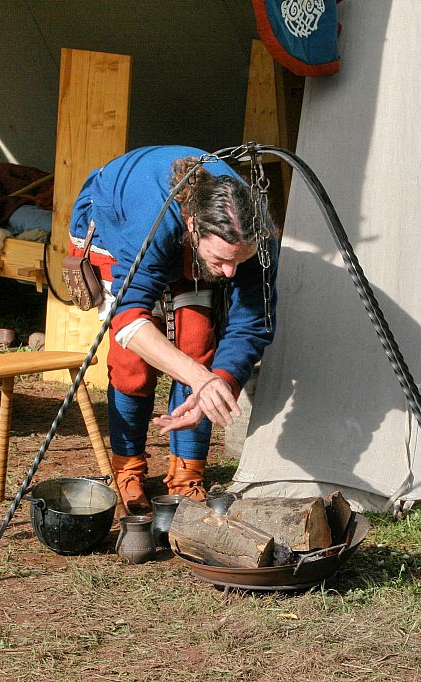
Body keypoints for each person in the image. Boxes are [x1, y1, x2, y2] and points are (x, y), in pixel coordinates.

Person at [68, 146, 278, 513]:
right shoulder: (150, 220)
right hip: (117, 226)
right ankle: (127, 468)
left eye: (238, 261)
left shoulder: (255, 236)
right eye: (222, 260)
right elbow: (129, 319)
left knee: (198, 342)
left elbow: (252, 321)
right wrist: (199, 379)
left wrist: (220, 380)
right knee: (132, 365)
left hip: (187, 243)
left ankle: (187, 475)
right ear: (194, 227)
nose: (230, 272)